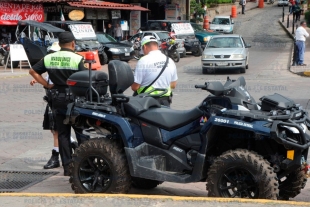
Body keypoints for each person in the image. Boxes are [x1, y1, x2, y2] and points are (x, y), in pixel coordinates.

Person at [29, 32, 89, 176]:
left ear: (60, 44)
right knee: (81, 132)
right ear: (73, 43)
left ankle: (67, 168)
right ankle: (84, 165)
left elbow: (32, 71)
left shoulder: (49, 58)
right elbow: (86, 79)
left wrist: (47, 85)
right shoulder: (78, 58)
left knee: (62, 134)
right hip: (75, 100)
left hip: (57, 99)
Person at [131, 36, 178, 107]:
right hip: (165, 103)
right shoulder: (169, 60)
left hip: (146, 103)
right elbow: (173, 85)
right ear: (157, 46)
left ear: (145, 47)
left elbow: (135, 87)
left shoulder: (143, 61)